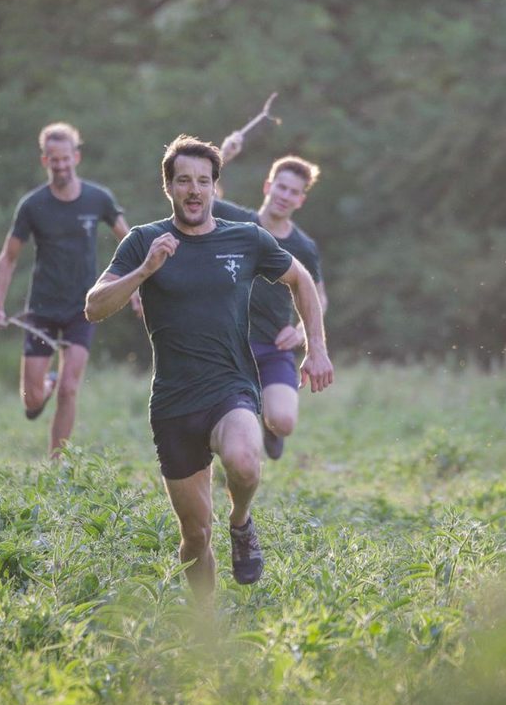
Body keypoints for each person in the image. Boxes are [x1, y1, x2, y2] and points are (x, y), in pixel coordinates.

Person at [85, 135, 333, 597]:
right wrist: (144, 272)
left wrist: (315, 347)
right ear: (170, 188)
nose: (194, 190)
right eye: (184, 181)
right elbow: (94, 307)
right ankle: (206, 638)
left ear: (216, 186)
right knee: (196, 538)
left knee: (244, 460)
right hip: (175, 402)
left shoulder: (246, 238)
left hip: (231, 386)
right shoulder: (144, 240)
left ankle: (240, 520)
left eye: (203, 180)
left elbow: (301, 281)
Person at [0, 122, 137, 458]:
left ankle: (58, 466)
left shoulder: (98, 198)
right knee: (32, 400)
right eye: (54, 160)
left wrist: (135, 286)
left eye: (66, 158)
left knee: (70, 389)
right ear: (45, 162)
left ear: (76, 157)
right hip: (41, 310)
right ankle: (46, 383)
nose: (61, 165)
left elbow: (129, 242)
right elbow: (8, 258)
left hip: (83, 308)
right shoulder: (32, 206)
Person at [212, 138, 327, 460]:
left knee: (284, 422)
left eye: (293, 191)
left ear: (301, 200)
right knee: (230, 417)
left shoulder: (304, 246)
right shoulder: (235, 221)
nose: (285, 196)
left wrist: (302, 332)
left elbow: (319, 297)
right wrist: (224, 156)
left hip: (274, 345)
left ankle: (268, 425)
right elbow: (196, 196)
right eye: (282, 187)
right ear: (268, 186)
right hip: (230, 343)